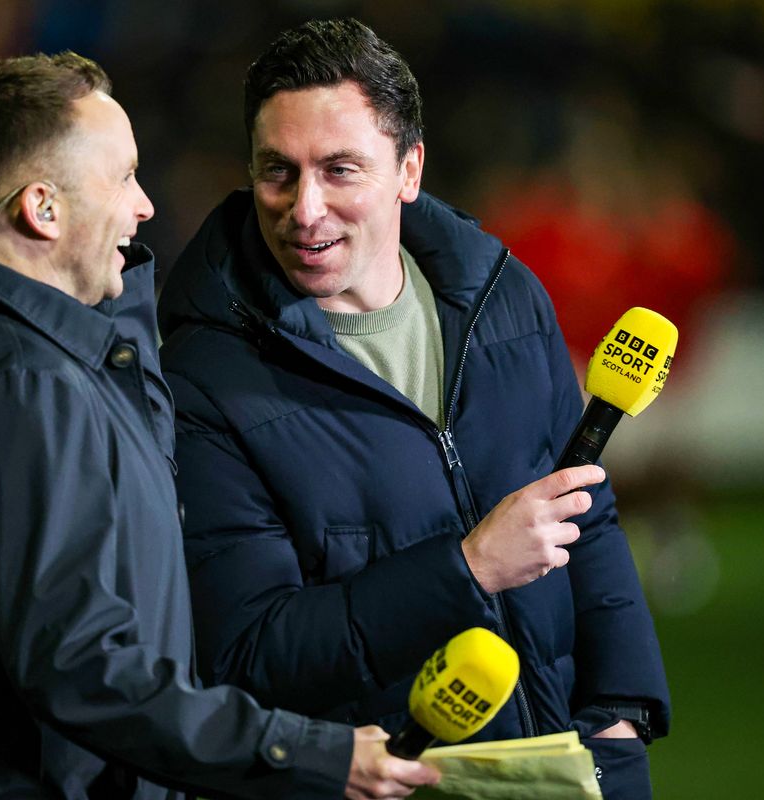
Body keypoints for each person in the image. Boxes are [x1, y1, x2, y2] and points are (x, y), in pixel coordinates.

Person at [0, 51, 439, 799]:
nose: (144, 207)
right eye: (123, 177)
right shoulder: (24, 383)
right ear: (42, 209)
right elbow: (84, 667)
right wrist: (305, 752)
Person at [156, 19, 671, 800]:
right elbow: (247, 648)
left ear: (409, 170)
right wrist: (465, 571)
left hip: (573, 771)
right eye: (278, 172)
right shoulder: (201, 378)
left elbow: (583, 515)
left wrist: (621, 719)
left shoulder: (504, 296)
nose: (304, 208)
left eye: (339, 170)